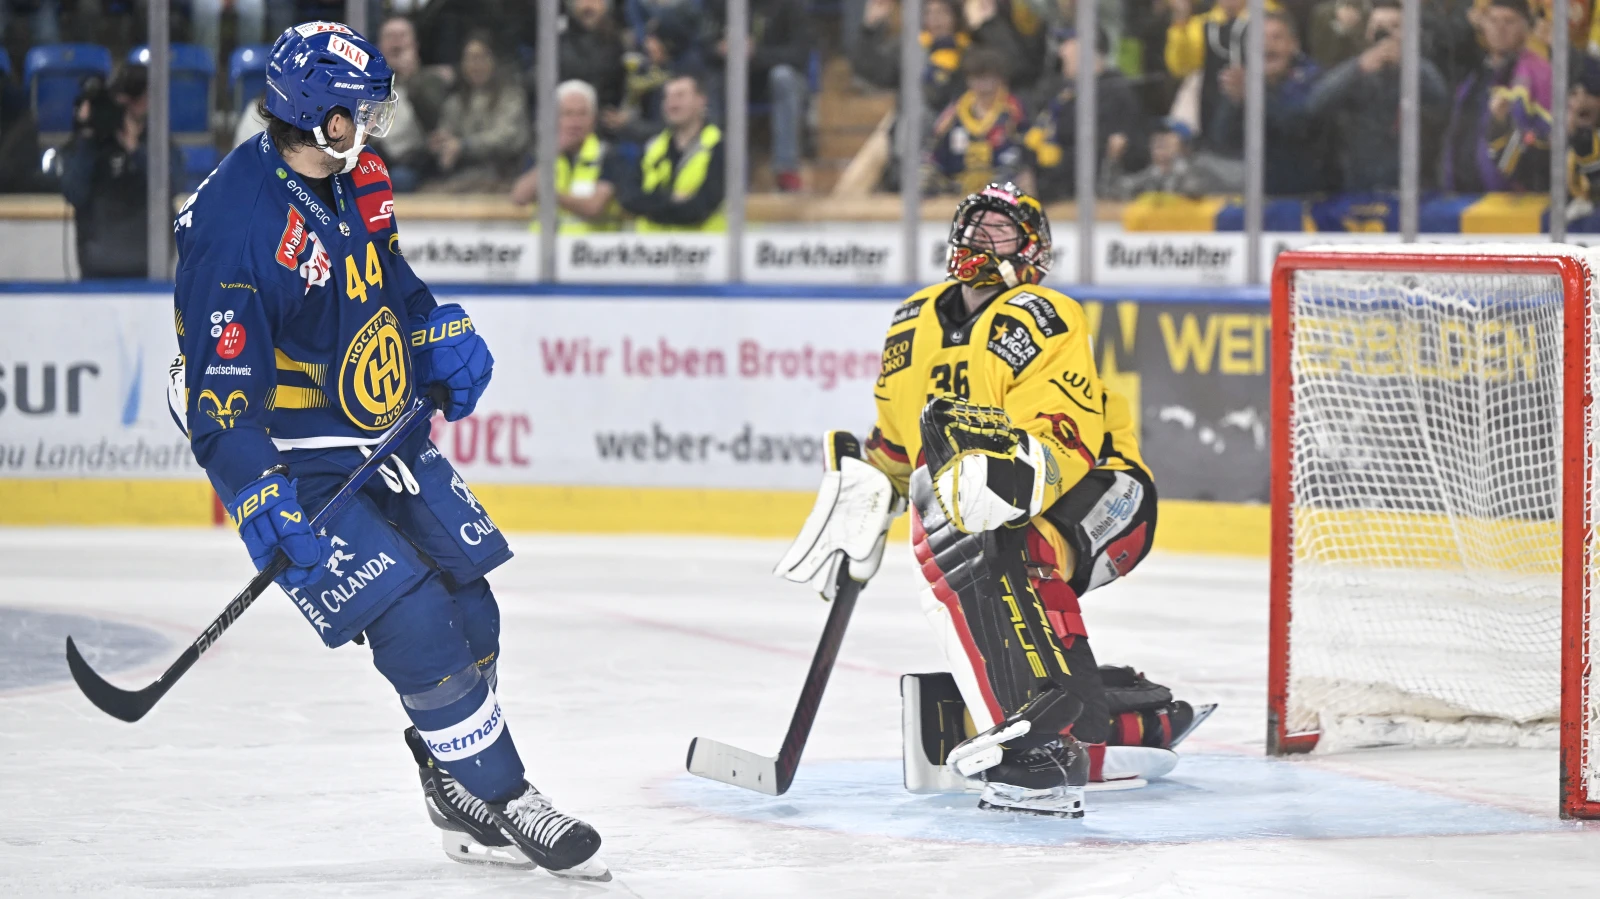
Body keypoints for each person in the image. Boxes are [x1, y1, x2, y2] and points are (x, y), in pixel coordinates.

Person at [167, 22, 607, 881]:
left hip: (379, 424)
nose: (376, 119)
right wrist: (260, 499)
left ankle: (454, 785)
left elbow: (387, 275)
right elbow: (222, 400)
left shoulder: (357, 169)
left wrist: (435, 328)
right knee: (416, 624)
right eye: (360, 108)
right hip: (294, 450)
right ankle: (511, 796)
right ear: (318, 115)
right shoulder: (234, 227)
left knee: (472, 608)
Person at [775, 183, 1202, 816]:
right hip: (999, 501)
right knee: (951, 514)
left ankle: (1045, 749)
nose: (982, 237)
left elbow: (1066, 436)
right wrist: (866, 497)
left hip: (1106, 496)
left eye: (1001, 229)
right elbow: (896, 447)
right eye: (974, 224)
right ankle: (1104, 719)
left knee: (985, 529)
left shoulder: (1042, 314)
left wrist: (1006, 481)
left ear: (1032, 251)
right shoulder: (912, 322)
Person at [1308, 0, 1448, 192]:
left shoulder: (1422, 69)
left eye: (1396, 26)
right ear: (1367, 33)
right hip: (1357, 186)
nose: (1387, 34)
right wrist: (1358, 68)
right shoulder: (1353, 71)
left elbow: (1442, 101)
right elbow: (1315, 104)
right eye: (1379, 27)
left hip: (1414, 187)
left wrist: (1407, 63)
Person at [59, 64, 181, 279]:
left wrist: (136, 151)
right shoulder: (91, 144)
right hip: (97, 267)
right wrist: (88, 135)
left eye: (139, 97)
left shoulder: (159, 143)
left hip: (150, 267)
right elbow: (73, 192)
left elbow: (173, 187)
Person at [1209, 11, 1331, 195]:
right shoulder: (1245, 81)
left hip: (1312, 196)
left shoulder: (1314, 78)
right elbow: (1223, 140)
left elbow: (1299, 125)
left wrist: (1252, 97)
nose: (1268, 44)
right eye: (1260, 38)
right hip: (1260, 195)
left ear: (1294, 44)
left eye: (1277, 37)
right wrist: (1234, 102)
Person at [1024, 26, 1148, 202]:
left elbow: (1097, 152)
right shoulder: (1063, 91)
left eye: (1067, 44)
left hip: (1084, 203)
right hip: (1049, 196)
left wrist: (1048, 174)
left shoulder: (1113, 94)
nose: (1061, 52)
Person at [1442, 0, 1553, 193]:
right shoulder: (1475, 74)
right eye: (1493, 20)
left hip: (1514, 201)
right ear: (1482, 24)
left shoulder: (1541, 73)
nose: (1499, 29)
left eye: (1509, 21)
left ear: (1526, 27)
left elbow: (1548, 137)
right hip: (1464, 197)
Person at [708, 0, 814, 192]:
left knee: (783, 77)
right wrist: (719, 49)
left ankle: (786, 168)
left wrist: (756, 53)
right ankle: (714, 165)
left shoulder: (790, 6)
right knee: (710, 81)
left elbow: (799, 54)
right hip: (735, 78)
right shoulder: (722, 5)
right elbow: (701, 45)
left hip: (775, 80)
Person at [509, 80, 626, 231]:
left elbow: (593, 207)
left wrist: (547, 195)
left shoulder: (609, 155)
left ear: (593, 118)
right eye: (568, 114)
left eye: (582, 114)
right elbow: (520, 196)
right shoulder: (543, 153)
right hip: (546, 251)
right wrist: (552, 156)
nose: (575, 122)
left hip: (587, 251)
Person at [1164, 0, 1281, 149]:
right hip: (1215, 115)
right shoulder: (1203, 23)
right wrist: (1181, 23)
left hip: (1265, 111)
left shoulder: (1270, 16)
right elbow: (1180, 68)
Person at [616, 72, 725, 230]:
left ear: (701, 100)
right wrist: (673, 200)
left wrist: (650, 205)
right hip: (653, 250)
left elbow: (701, 207)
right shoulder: (652, 147)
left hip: (702, 250)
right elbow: (628, 199)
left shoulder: (720, 146)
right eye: (667, 97)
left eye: (680, 96)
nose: (672, 104)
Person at [429, 31, 529, 191]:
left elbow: (507, 138)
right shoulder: (454, 102)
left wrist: (464, 146)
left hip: (503, 176)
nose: (475, 65)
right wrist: (440, 144)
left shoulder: (511, 97)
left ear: (494, 60)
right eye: (469, 58)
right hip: (463, 175)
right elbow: (447, 137)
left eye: (481, 57)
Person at [925, 47, 1027, 196]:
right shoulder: (955, 111)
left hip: (1001, 181)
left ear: (1000, 79)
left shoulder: (1012, 109)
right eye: (977, 78)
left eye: (989, 78)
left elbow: (1023, 147)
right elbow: (935, 144)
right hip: (957, 182)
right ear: (968, 80)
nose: (983, 85)